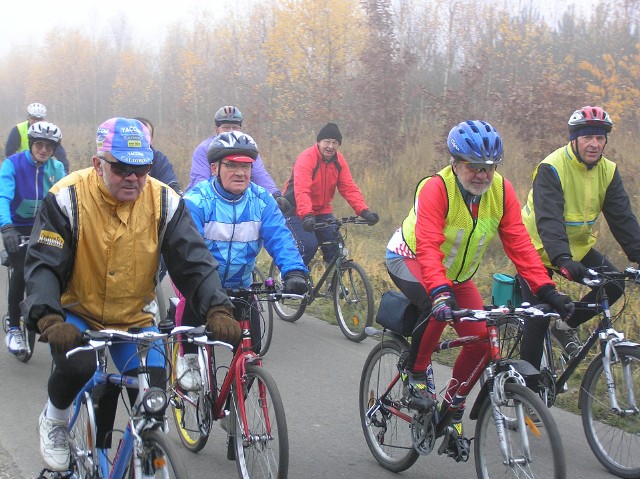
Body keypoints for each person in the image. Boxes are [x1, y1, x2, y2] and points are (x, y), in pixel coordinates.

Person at [22, 117, 240, 472]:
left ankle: (143, 456)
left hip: (136, 317)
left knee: (151, 400)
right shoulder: (66, 197)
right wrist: (48, 316)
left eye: (142, 168)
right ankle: (56, 420)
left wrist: (217, 307)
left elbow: (193, 261)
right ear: (98, 163)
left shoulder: (164, 200)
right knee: (76, 364)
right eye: (122, 168)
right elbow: (43, 264)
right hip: (78, 311)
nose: (133, 178)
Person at [385, 120, 574, 448]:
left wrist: (547, 290)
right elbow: (429, 246)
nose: (483, 175)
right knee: (433, 305)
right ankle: (415, 375)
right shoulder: (436, 188)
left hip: (457, 276)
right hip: (409, 258)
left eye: (490, 167)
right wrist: (440, 292)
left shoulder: (501, 191)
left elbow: (520, 244)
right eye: (475, 167)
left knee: (483, 342)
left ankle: (452, 408)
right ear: (455, 164)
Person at [175, 131, 309, 389]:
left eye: (245, 165)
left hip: (240, 284)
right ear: (214, 168)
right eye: (232, 165)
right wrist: (207, 291)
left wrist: (294, 271)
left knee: (252, 353)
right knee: (190, 304)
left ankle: (235, 406)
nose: (240, 172)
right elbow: (190, 254)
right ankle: (189, 358)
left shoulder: (261, 201)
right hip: (199, 283)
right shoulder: (196, 201)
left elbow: (279, 237)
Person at [520, 105, 640, 363]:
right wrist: (562, 258)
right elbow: (549, 220)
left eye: (600, 138)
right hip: (536, 249)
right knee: (539, 316)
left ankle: (565, 326)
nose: (594, 144)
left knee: (614, 283)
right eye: (587, 138)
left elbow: (623, 220)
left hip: (577, 249)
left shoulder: (607, 171)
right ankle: (526, 389)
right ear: (574, 139)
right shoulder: (551, 167)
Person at [0, 122, 66, 354]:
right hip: (17, 227)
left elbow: (65, 199)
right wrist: (7, 227)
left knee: (59, 267)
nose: (44, 150)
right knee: (21, 269)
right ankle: (13, 327)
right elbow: (3, 197)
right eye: (39, 144)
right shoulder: (13, 164)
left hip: (44, 227)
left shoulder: (56, 168)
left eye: (49, 146)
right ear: (31, 143)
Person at [281, 122, 379, 266]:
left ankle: (332, 284)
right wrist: (307, 215)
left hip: (321, 210)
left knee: (336, 246)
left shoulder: (339, 161)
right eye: (327, 141)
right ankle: (289, 277)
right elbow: (302, 190)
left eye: (335, 142)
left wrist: (364, 211)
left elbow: (349, 188)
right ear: (318, 142)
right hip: (296, 210)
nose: (330, 146)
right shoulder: (307, 158)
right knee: (308, 245)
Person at [188, 105, 293, 213]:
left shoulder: (246, 147)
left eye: (235, 127)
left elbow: (259, 174)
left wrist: (274, 195)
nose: (231, 131)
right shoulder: (203, 149)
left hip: (239, 199)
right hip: (211, 199)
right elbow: (199, 179)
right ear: (216, 129)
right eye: (226, 127)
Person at [5, 103, 69, 173]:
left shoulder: (49, 130)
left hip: (43, 167)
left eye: (39, 119)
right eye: (34, 118)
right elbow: (9, 152)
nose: (36, 121)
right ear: (29, 117)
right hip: (22, 167)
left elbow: (60, 154)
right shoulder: (18, 129)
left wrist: (65, 172)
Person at [133, 117, 184, 195]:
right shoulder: (115, 158)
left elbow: (173, 188)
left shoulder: (159, 160)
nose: (140, 140)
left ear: (151, 139)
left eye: (145, 136)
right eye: (135, 135)